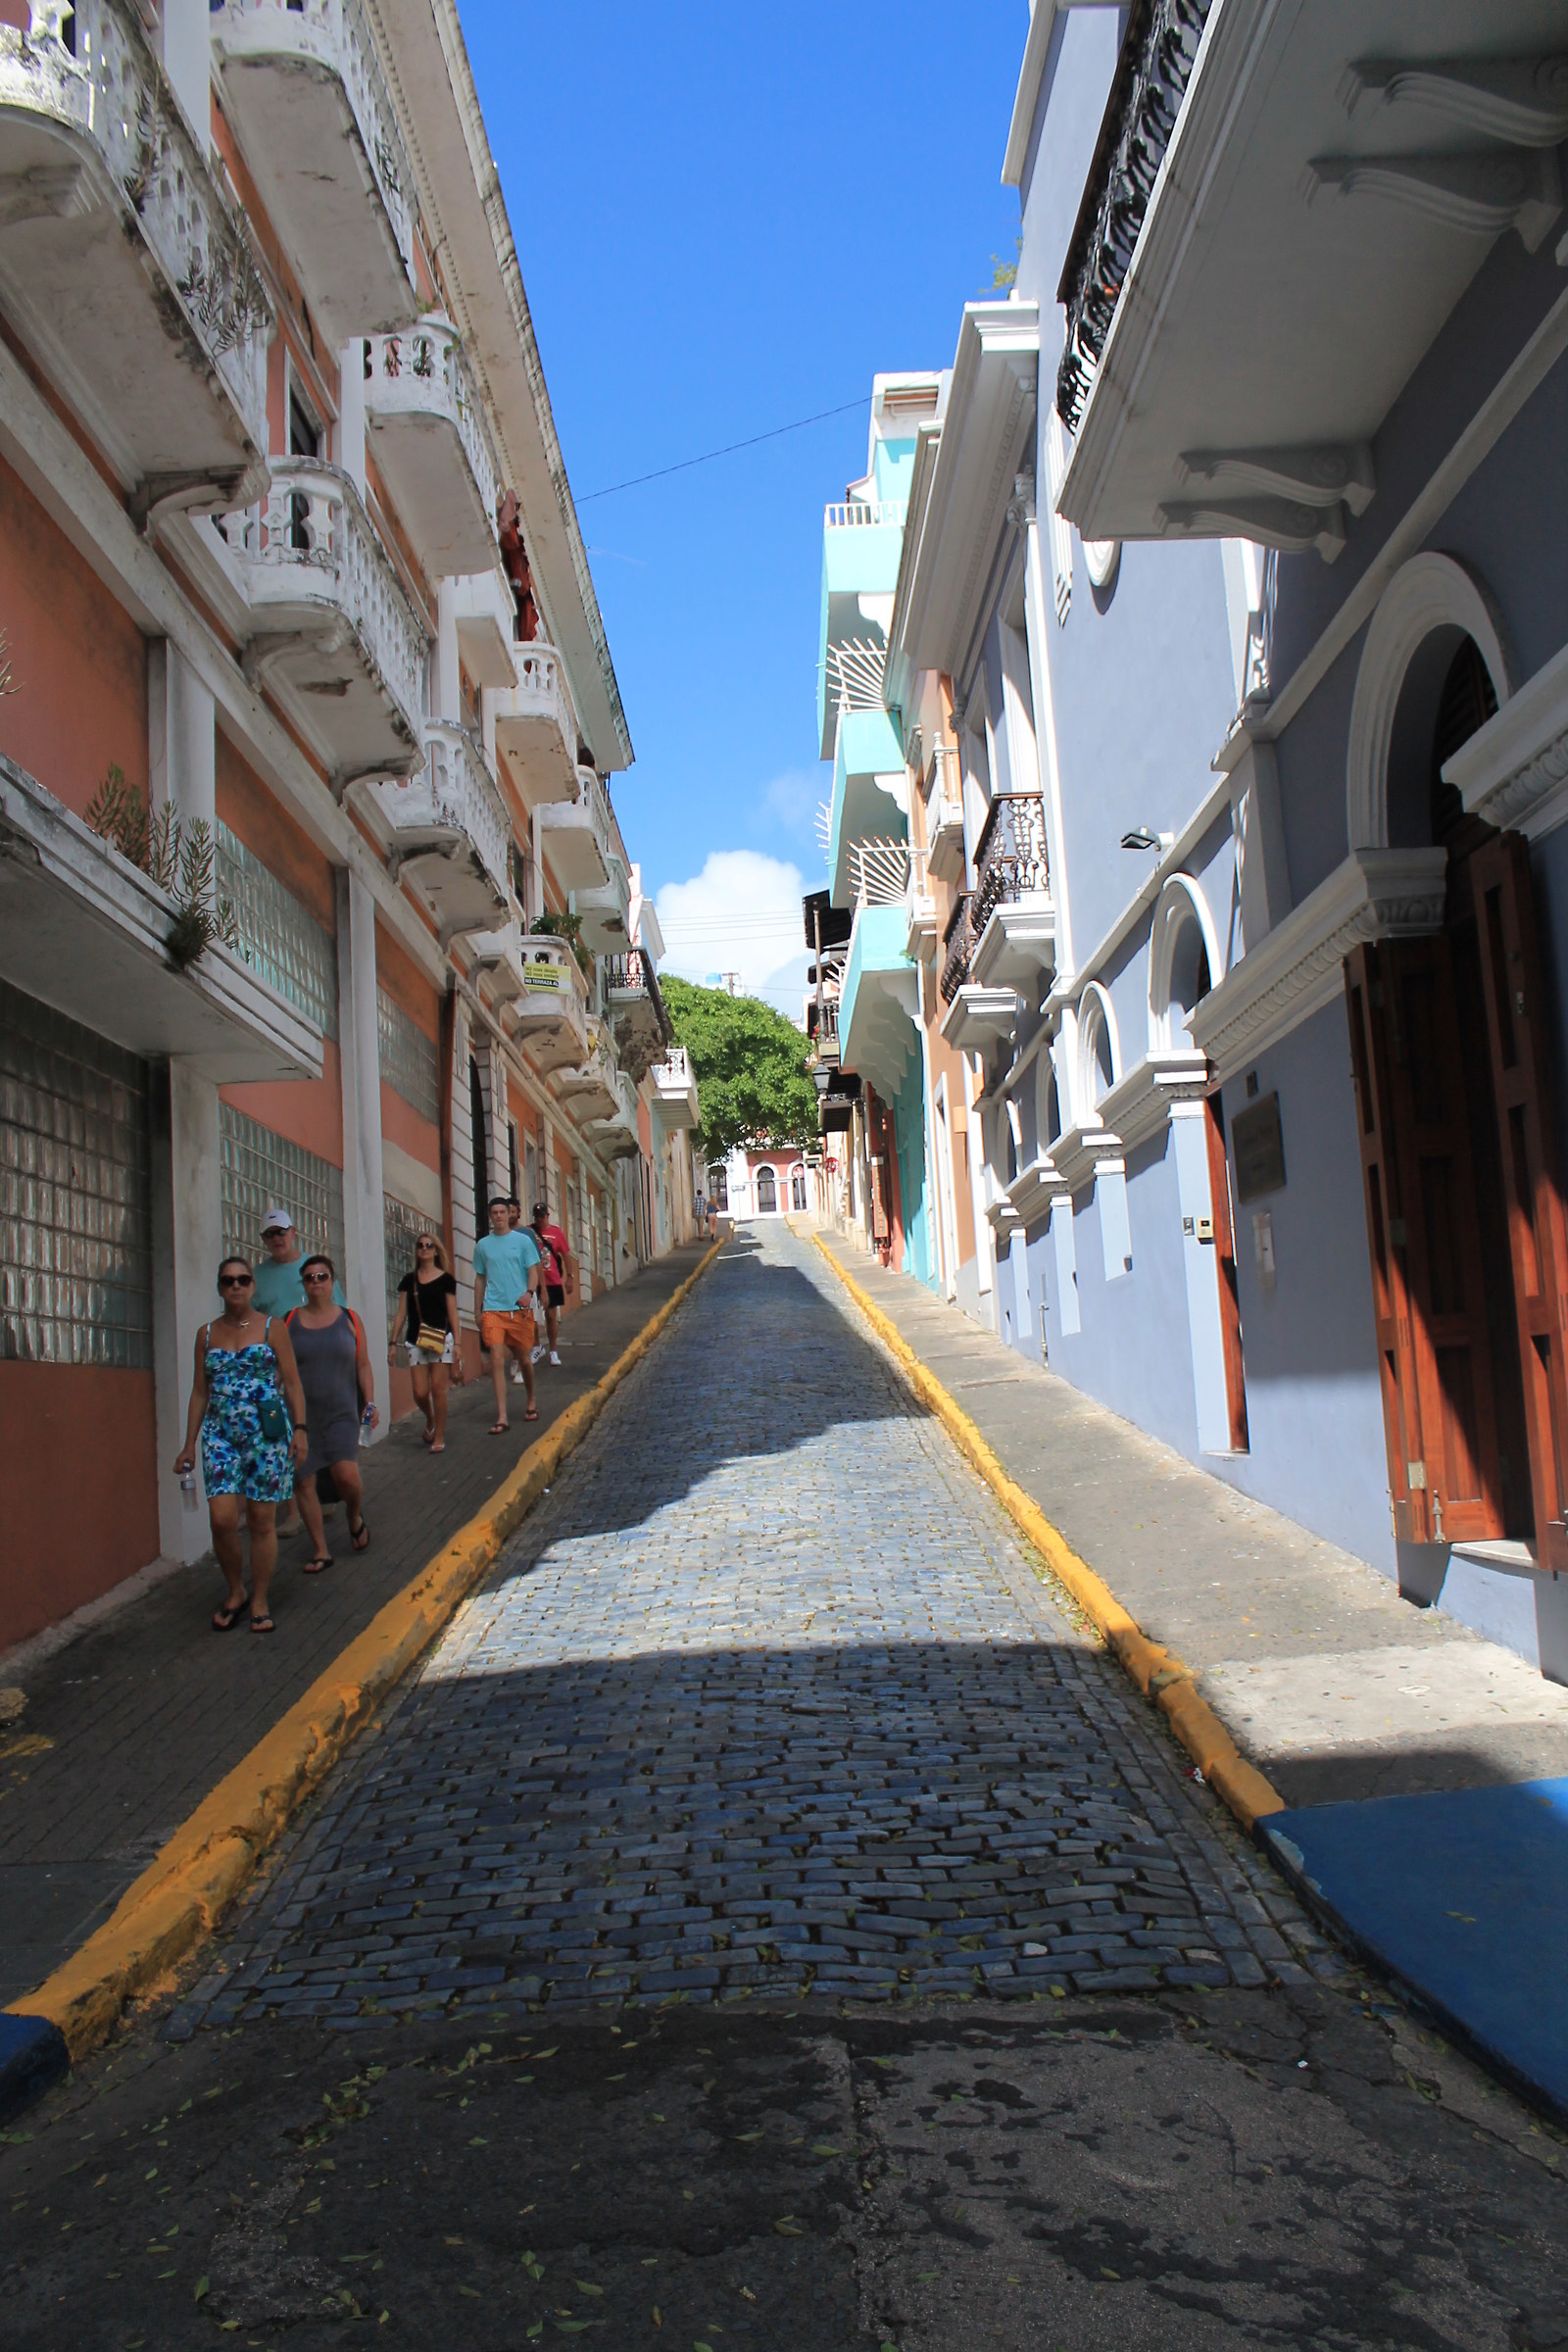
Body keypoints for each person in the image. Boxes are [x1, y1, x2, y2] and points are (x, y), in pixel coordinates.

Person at [172, 1256, 308, 1635]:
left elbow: (293, 1383)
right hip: (220, 1436)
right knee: (222, 1519)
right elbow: (200, 1392)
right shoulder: (205, 1334)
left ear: (252, 1286)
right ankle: (236, 1591)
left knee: (263, 1520)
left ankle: (260, 1598)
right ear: (219, 1287)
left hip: (266, 1435)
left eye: (243, 1280)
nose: (236, 1286)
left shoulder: (272, 1328)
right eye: (228, 1280)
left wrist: (300, 1429)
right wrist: (188, 1444)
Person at [286, 1255, 376, 1569]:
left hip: (341, 1413)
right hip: (301, 1417)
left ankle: (353, 1516)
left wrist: (370, 1403)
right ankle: (320, 1549)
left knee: (346, 1476)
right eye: (309, 1278)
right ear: (304, 1284)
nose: (316, 1283)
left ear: (332, 1281)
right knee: (305, 1482)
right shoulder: (289, 1322)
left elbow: (363, 1365)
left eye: (322, 1276)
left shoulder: (349, 1319)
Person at [472, 1194, 541, 1433]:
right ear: (490, 1217)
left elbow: (533, 1271)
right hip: (493, 1308)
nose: (499, 1216)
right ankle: (502, 1416)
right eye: (495, 1213)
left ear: (508, 1214)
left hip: (519, 1309)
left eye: (502, 1212)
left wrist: (529, 1293)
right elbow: (480, 1278)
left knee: (524, 1359)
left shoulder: (522, 1242)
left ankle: (530, 1400)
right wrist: (477, 1309)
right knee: (497, 1358)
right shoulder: (483, 1246)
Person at [395, 1232, 464, 1452]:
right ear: (416, 1251)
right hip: (416, 1339)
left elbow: (453, 1313)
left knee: (437, 1388)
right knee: (420, 1392)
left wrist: (459, 1345)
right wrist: (392, 1341)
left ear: (436, 1251)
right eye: (420, 1246)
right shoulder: (409, 1280)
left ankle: (439, 1435)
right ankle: (430, 1419)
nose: (424, 1249)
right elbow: (401, 1313)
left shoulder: (446, 1280)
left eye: (429, 1245)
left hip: (442, 1338)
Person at [252, 1206, 346, 1317]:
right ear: (263, 1238)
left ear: (292, 1232)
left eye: (281, 1232)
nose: (276, 1238)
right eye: (269, 1234)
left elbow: (342, 1313)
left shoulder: (316, 1268)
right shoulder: (254, 1277)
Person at [529, 1198, 571, 1366]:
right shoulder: (529, 1232)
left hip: (552, 1280)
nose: (539, 1219)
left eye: (542, 1216)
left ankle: (553, 1350)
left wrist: (570, 1277)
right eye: (536, 1216)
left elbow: (566, 1255)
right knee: (531, 1317)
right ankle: (537, 1346)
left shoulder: (556, 1233)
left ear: (547, 1215)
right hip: (533, 1280)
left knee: (551, 1316)